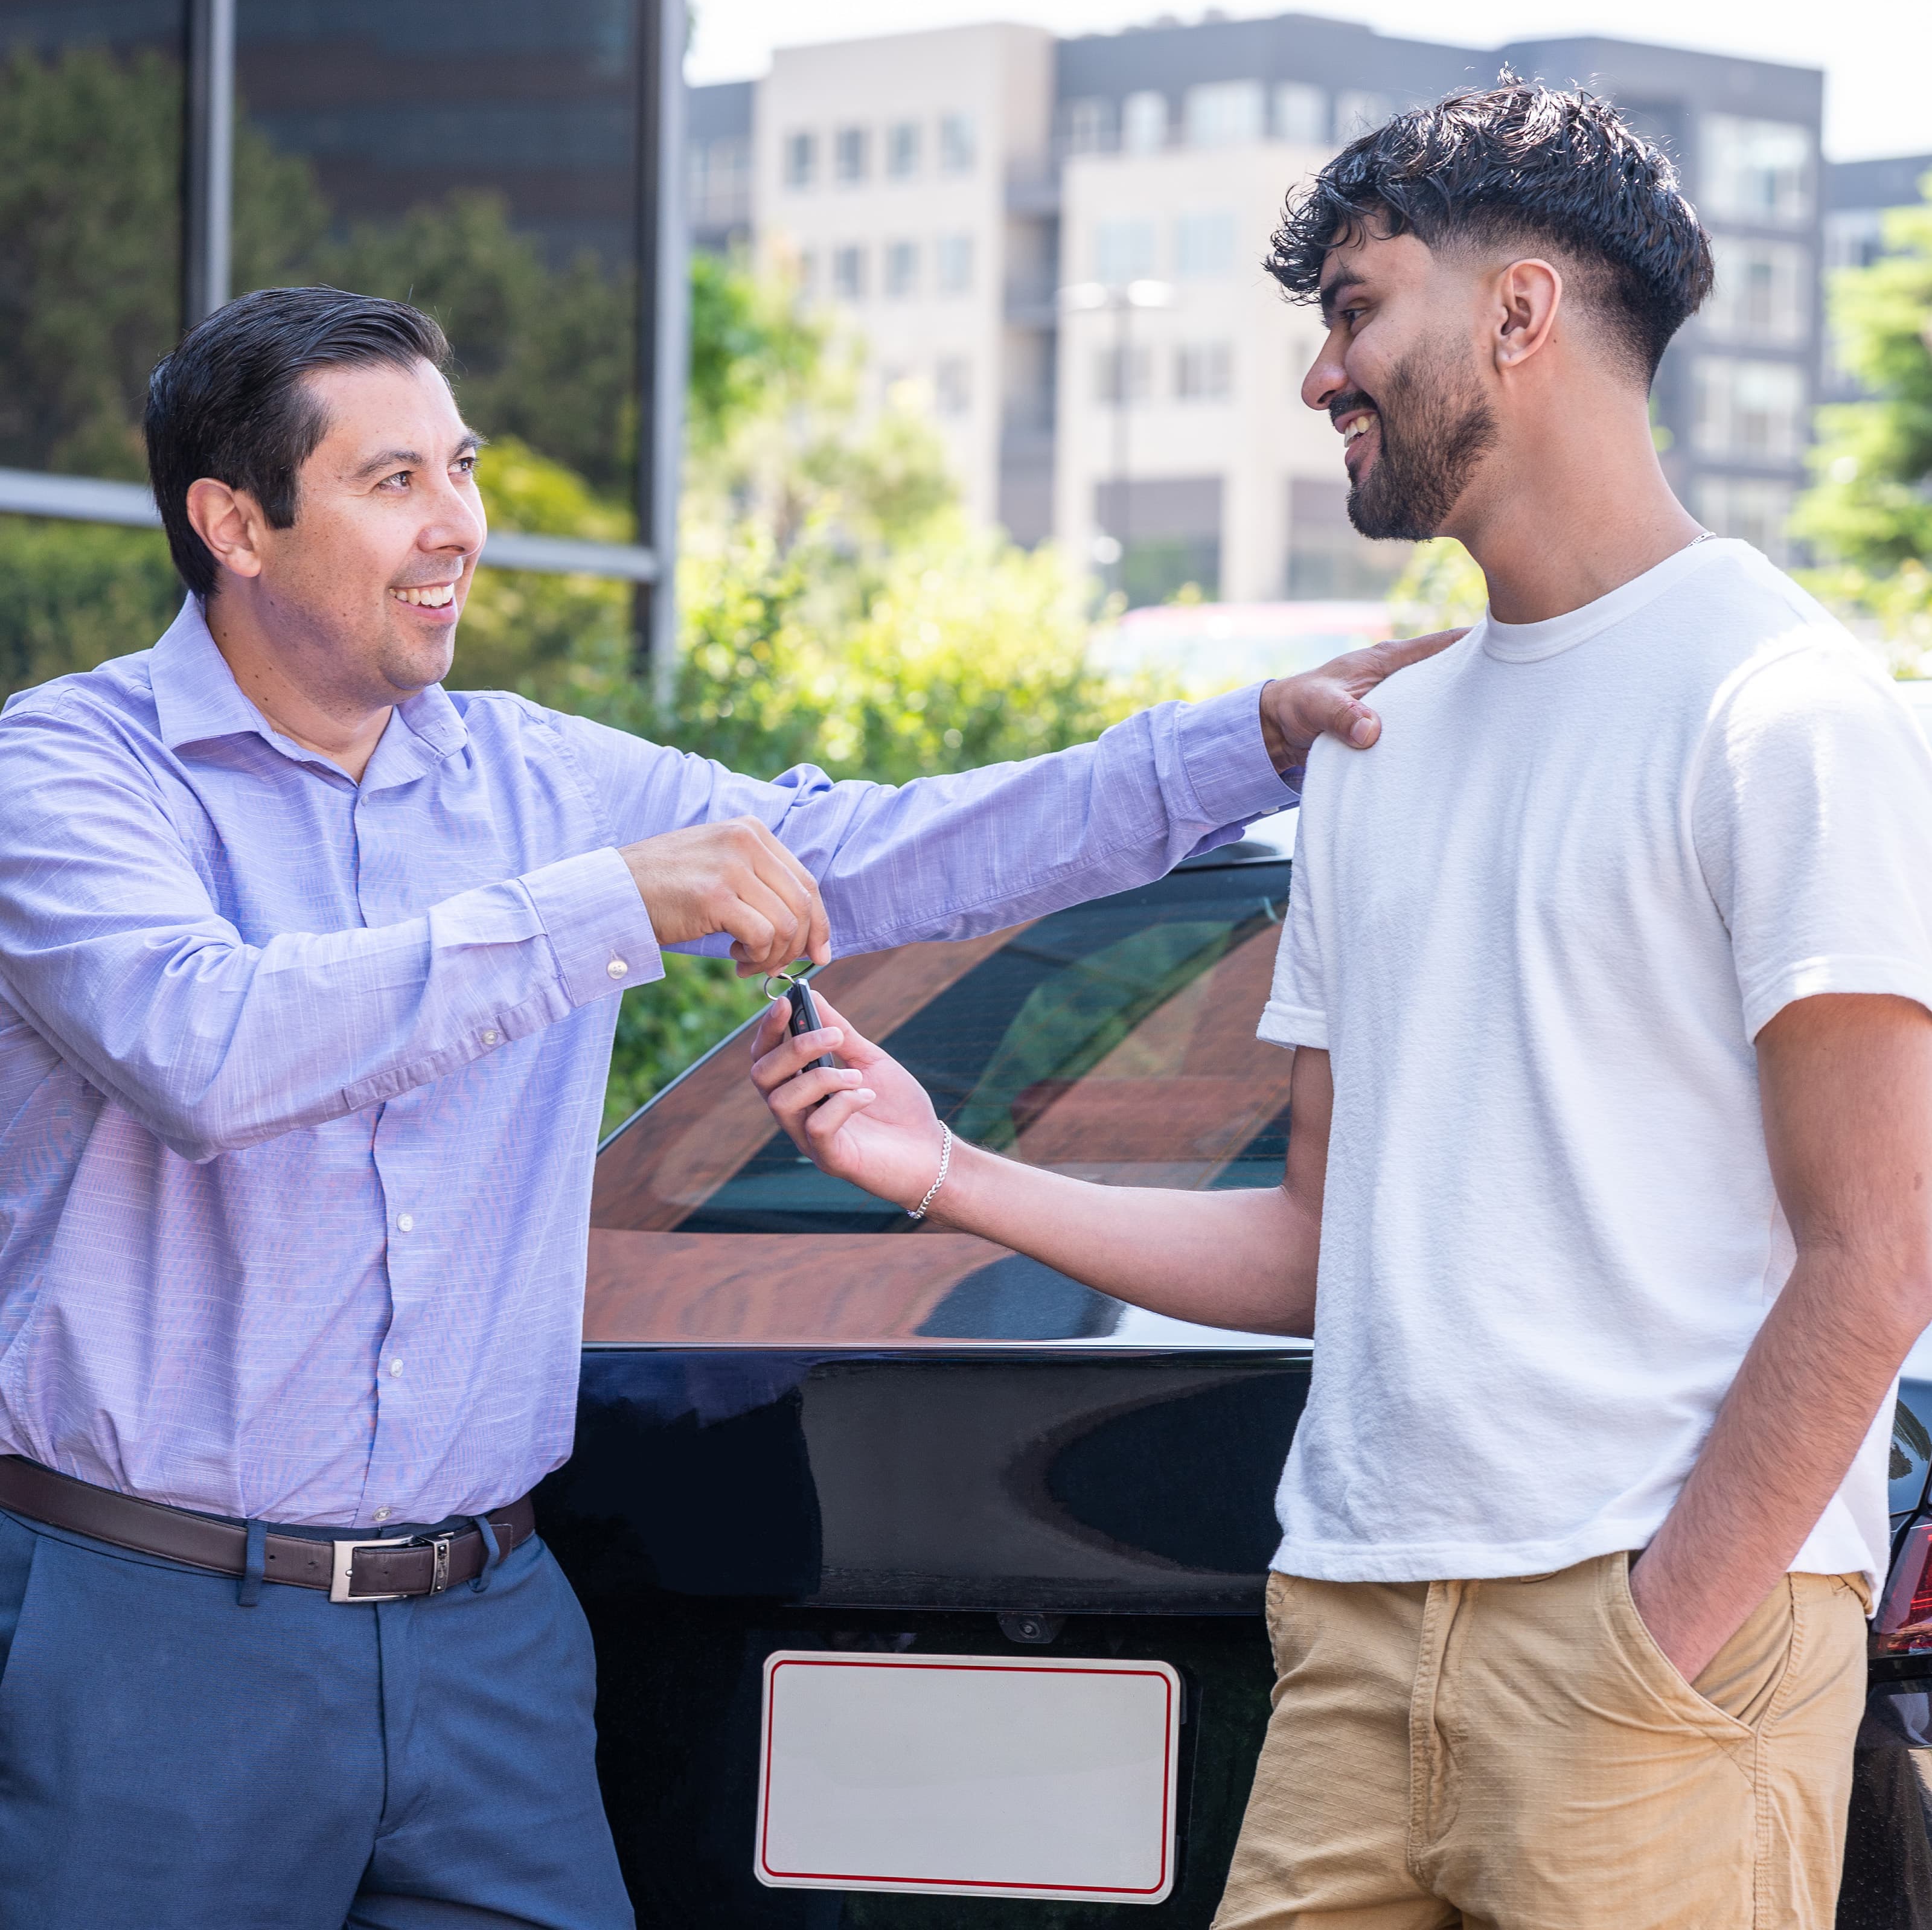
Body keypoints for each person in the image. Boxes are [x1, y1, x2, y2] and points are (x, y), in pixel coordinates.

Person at [0, 284, 1440, 1928]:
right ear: (232, 522)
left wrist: (1246, 741)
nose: (458, 526)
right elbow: (207, 1046)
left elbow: (900, 850)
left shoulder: (539, 778)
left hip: (489, 1637)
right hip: (155, 1633)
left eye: (461, 471)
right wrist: (611, 904)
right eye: (393, 481)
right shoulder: (67, 774)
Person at [753, 80, 1932, 1930]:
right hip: (1358, 1629)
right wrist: (942, 1171)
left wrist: (1656, 1634)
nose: (1323, 375)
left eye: (1360, 307)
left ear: (1521, 315)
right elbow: (1321, 1239)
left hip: (1652, 1639)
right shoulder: (1373, 742)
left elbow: (1873, 1255)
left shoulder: (1779, 711)